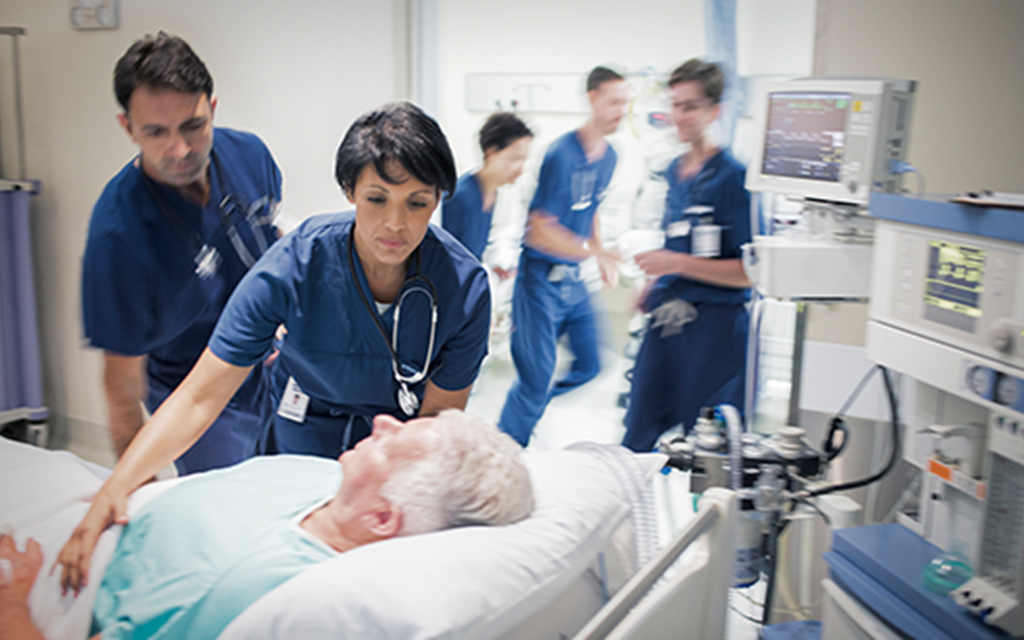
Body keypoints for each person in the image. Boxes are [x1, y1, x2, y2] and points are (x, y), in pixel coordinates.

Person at [56, 101, 492, 593]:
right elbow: (201, 395)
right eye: (376, 199)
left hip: (393, 444)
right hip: (300, 425)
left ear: (438, 201)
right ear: (349, 192)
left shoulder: (464, 288)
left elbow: (435, 425)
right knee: (277, 561)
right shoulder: (298, 262)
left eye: (418, 202)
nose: (396, 224)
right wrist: (116, 488)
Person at [0, 410, 534, 640]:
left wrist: (13, 601)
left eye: (395, 441)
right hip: (94, 499)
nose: (382, 420)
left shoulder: (243, 590)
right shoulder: (323, 477)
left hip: (51, 565)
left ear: (382, 518)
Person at [81, 32, 282, 475]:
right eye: (156, 132)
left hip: (271, 359)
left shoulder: (250, 155)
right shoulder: (118, 236)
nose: (181, 150)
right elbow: (121, 385)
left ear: (211, 108)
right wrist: (139, 492)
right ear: (127, 127)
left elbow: (271, 240)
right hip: (194, 388)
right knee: (225, 507)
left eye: (193, 125)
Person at [621, 59, 752, 453]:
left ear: (716, 110)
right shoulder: (675, 172)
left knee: (709, 447)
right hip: (668, 320)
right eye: (675, 105)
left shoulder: (734, 179)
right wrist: (653, 283)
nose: (679, 116)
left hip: (714, 329)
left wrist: (674, 264)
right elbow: (677, 243)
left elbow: (748, 272)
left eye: (690, 106)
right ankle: (633, 510)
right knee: (638, 429)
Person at [498, 66, 628, 447]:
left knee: (592, 364)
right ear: (593, 99)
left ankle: (532, 407)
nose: (622, 110)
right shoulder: (561, 153)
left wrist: (599, 253)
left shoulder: (609, 157)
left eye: (626, 102)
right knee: (536, 378)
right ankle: (507, 448)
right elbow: (538, 229)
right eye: (615, 101)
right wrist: (596, 251)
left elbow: (591, 208)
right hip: (539, 281)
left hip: (574, 279)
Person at [442, 112, 533, 268]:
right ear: (491, 152)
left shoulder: (493, 193)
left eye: (523, 160)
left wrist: (493, 265)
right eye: (514, 158)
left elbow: (471, 252)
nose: (520, 169)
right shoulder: (459, 197)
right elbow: (440, 255)